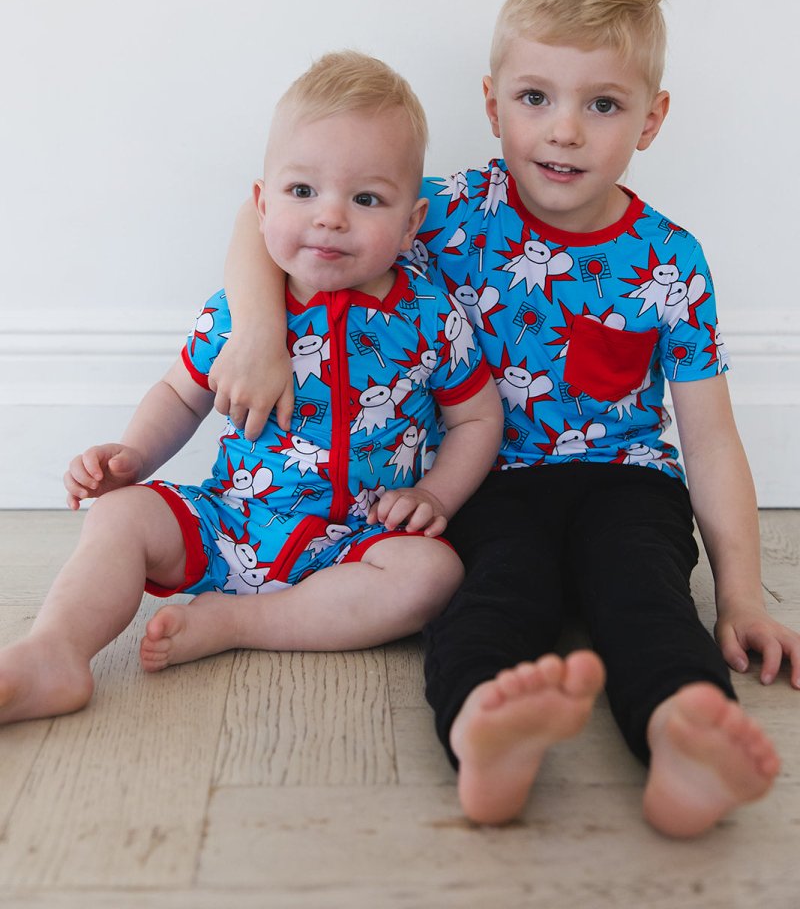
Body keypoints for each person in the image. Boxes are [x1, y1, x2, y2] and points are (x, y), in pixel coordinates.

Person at [207, 0, 800, 839]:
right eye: (534, 97)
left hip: (627, 483)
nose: (564, 130)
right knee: (493, 596)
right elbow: (258, 221)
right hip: (483, 482)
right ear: (492, 105)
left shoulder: (670, 260)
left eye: (603, 104)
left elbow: (709, 439)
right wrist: (257, 333)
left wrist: (743, 595)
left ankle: (683, 734)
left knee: (643, 597)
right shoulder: (442, 212)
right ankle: (483, 731)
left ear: (651, 119)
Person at [0, 51, 503, 726]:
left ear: (410, 224)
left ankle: (239, 623)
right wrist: (132, 456)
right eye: (303, 191)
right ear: (262, 204)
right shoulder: (240, 316)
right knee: (120, 515)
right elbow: (181, 394)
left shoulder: (429, 317)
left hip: (357, 539)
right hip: (229, 519)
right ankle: (54, 653)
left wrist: (434, 496)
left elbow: (477, 419)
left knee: (433, 576)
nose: (330, 217)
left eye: (366, 199)